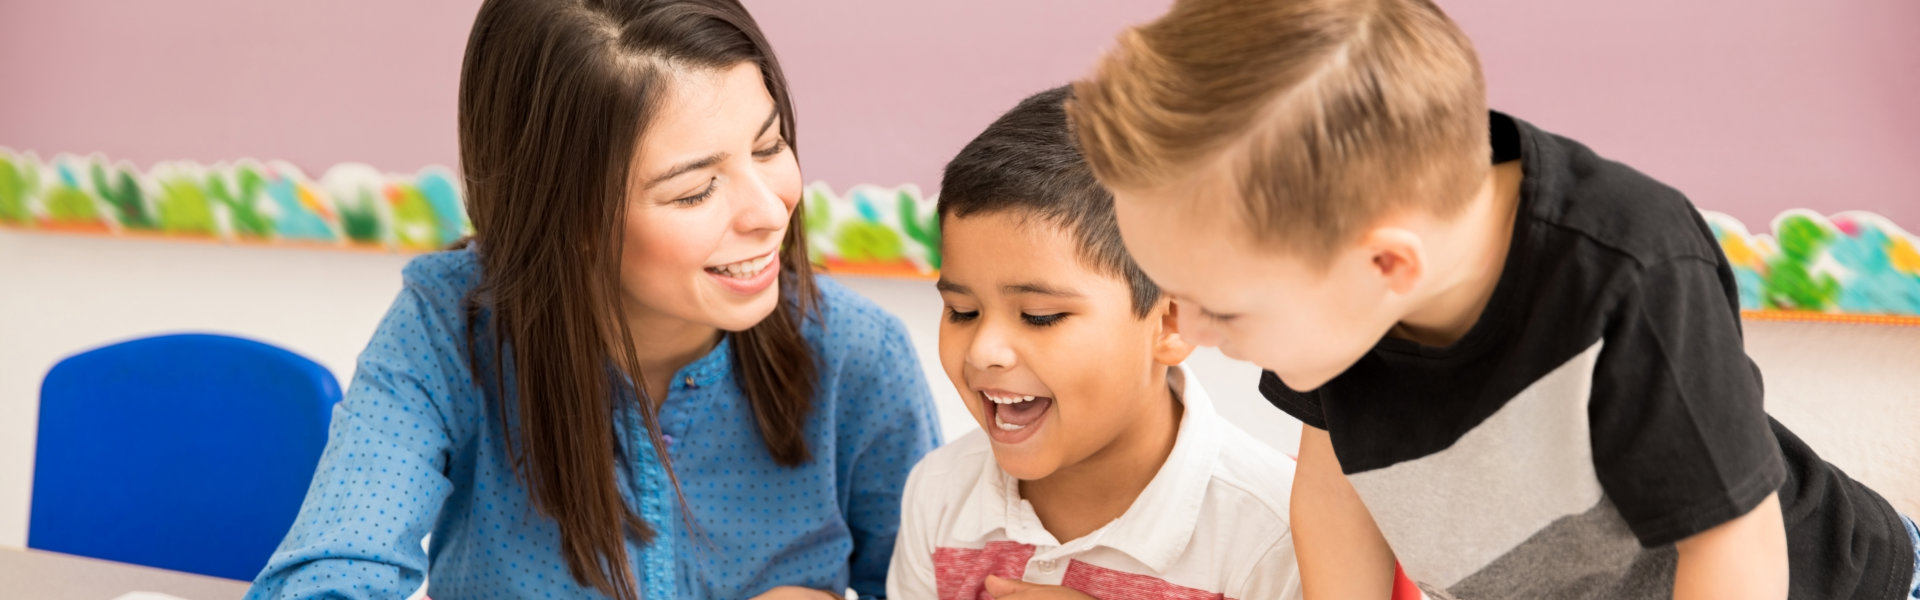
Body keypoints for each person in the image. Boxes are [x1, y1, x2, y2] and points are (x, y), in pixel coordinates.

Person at [1065, 0, 1918, 598]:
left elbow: (1736, 551)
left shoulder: (1631, 270)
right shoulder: (1339, 288)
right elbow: (1332, 489)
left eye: (1220, 308)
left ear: (1388, 265)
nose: (1189, 332)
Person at [247, 1, 940, 598]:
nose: (769, 210)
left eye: (769, 146)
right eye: (695, 190)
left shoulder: (859, 354)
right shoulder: (448, 326)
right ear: (565, 213)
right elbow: (327, 574)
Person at [889, 86, 1303, 600]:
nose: (983, 350)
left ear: (1170, 323)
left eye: (1040, 317)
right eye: (962, 312)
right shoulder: (937, 491)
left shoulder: (1275, 531)